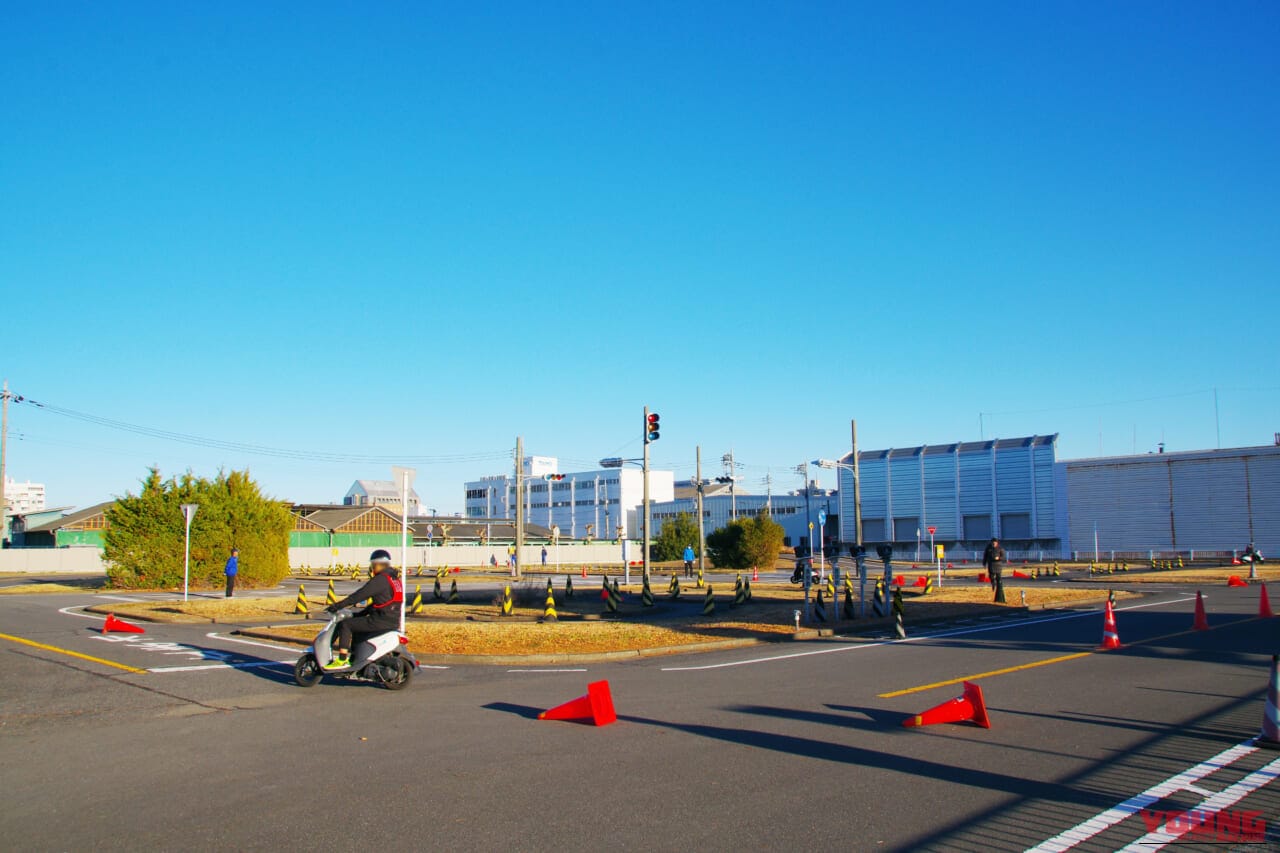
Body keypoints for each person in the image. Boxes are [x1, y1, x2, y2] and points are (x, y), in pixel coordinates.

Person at [323, 549, 404, 669]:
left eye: (372, 565)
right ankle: (355, 658)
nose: (372, 568)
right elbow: (383, 602)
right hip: (392, 620)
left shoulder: (380, 579)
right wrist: (361, 613)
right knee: (357, 626)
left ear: (377, 564)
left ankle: (341, 659)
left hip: (379, 620)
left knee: (345, 625)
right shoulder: (395, 580)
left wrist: (337, 606)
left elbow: (359, 595)